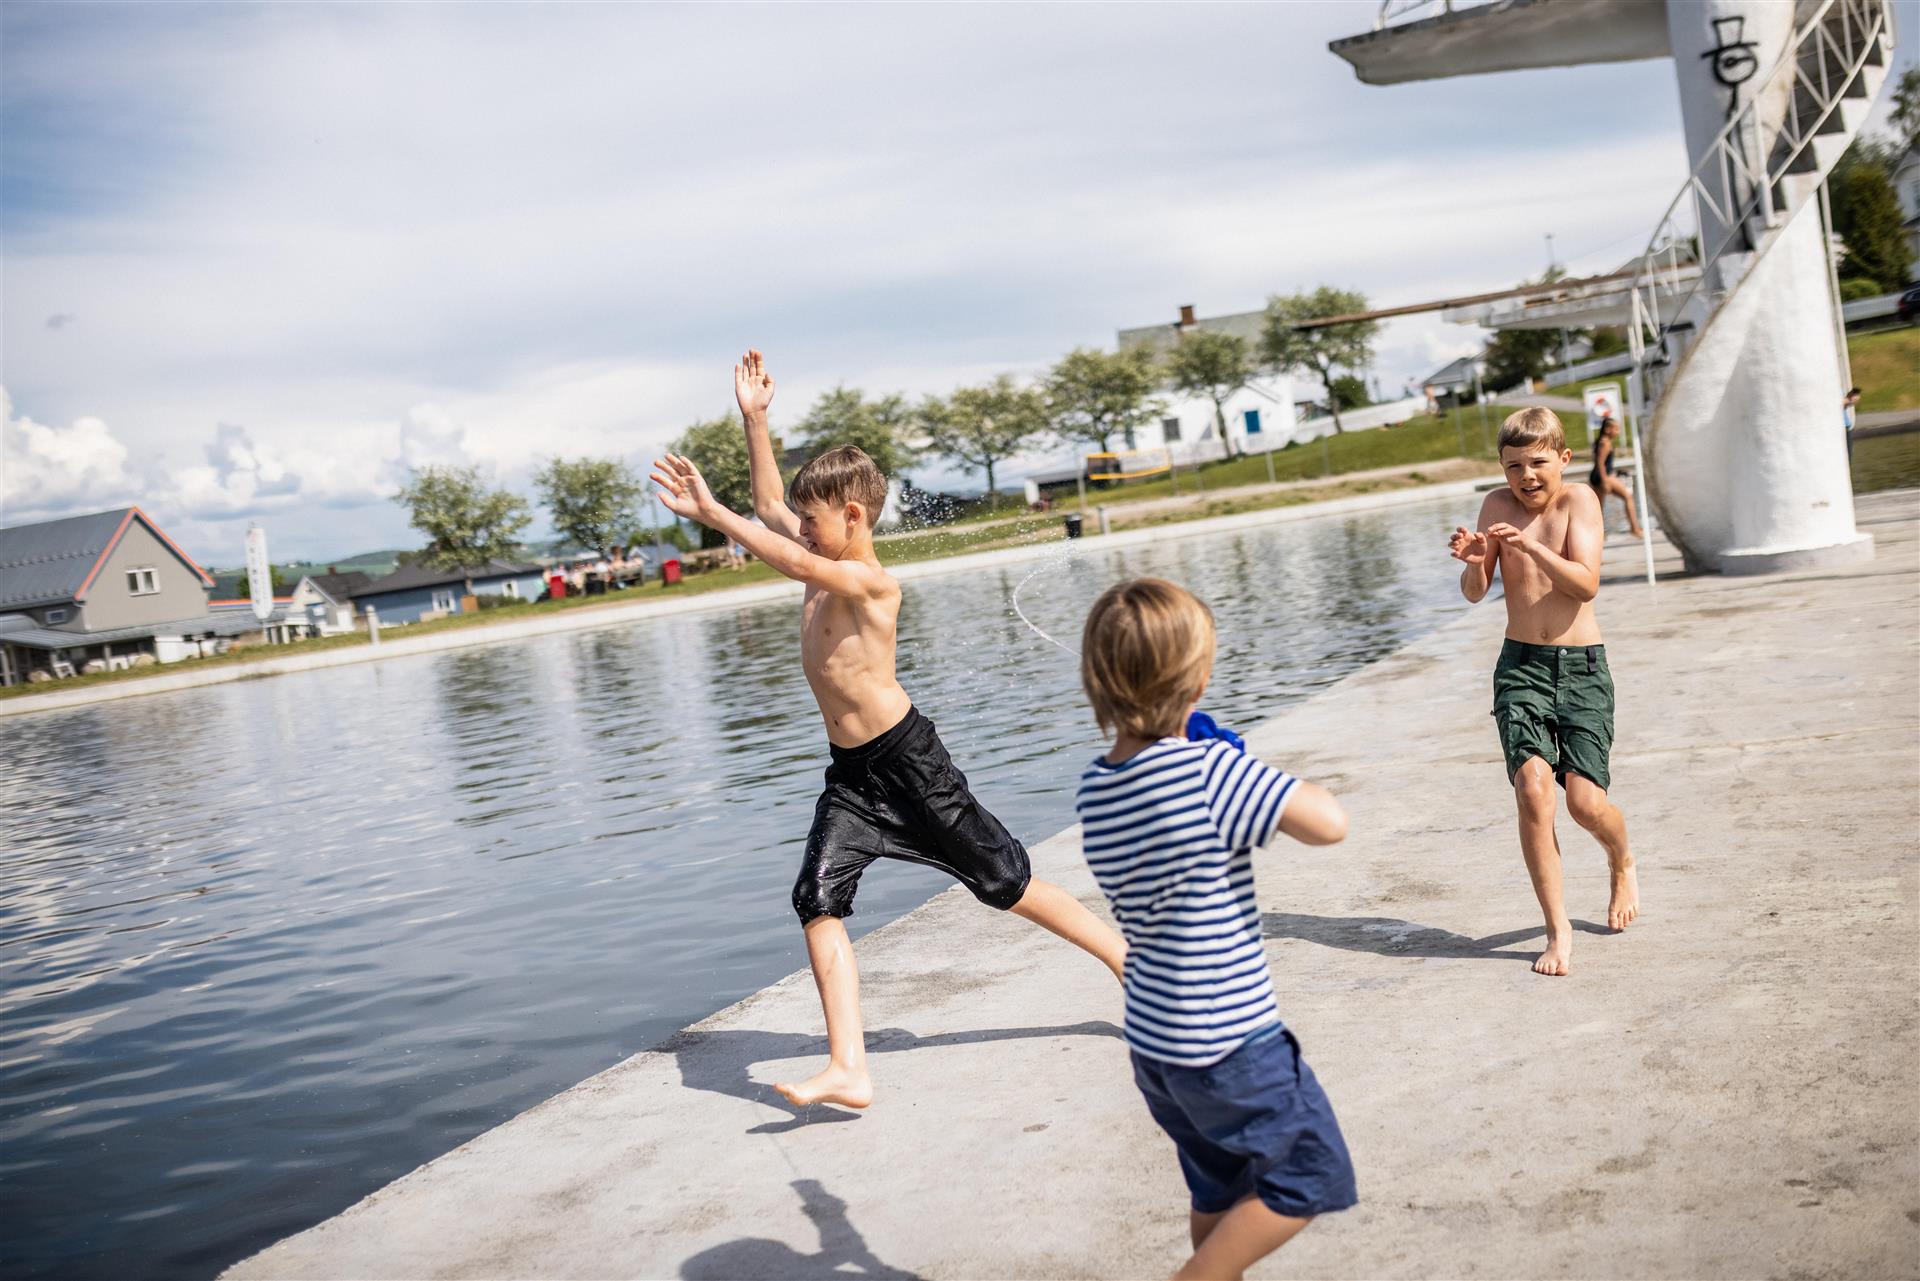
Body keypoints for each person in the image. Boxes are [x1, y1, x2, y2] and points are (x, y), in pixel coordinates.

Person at [650, 348, 1127, 1110]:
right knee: (816, 896)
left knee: (1007, 882)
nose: (797, 532)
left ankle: (1126, 961)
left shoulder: (869, 580)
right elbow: (771, 506)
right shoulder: (816, 552)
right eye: (798, 526)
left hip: (911, 765)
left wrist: (713, 517)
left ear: (853, 517)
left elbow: (771, 543)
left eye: (810, 523)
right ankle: (850, 1066)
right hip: (853, 777)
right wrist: (757, 420)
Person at [1075, 578, 1356, 1281]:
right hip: (1231, 1042)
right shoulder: (1211, 773)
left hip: (1158, 1046)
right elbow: (1329, 822)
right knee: (1308, 1174)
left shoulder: (1095, 783)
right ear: (1198, 680)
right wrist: (1235, 761)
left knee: (1219, 1186)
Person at [1449, 407, 1639, 977]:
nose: (1526, 477)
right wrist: (1477, 562)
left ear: (1563, 458)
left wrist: (1530, 548)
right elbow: (1474, 592)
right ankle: (1558, 930)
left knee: (1585, 804)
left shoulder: (1579, 500)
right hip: (1521, 668)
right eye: (1513, 467)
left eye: (1537, 463)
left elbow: (1586, 583)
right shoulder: (1494, 506)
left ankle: (1621, 859)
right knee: (1533, 789)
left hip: (1582, 668)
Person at [1586, 418, 1644, 538]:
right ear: (1607, 429)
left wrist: (1611, 472)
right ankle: (1635, 529)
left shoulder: (1602, 441)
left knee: (1598, 508)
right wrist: (1605, 481)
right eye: (1616, 429)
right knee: (1628, 497)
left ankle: (1600, 535)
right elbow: (1600, 463)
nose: (1618, 432)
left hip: (1600, 476)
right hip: (1603, 477)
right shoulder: (1605, 443)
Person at [1842, 386, 1861, 460]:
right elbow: (1843, 402)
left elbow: (1848, 403)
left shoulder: (1846, 401)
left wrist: (1851, 399)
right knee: (1847, 455)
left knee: (1848, 454)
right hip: (1844, 428)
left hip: (1846, 427)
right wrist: (1850, 399)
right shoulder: (1843, 400)